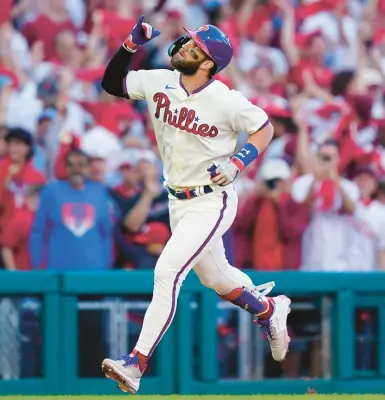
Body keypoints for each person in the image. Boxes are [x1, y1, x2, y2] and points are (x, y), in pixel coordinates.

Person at [101, 16, 291, 394]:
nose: (184, 46)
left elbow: (264, 127)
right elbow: (111, 84)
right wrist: (129, 45)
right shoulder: (159, 80)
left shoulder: (225, 98)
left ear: (208, 64)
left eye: (194, 47)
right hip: (177, 201)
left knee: (168, 272)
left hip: (210, 200)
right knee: (215, 278)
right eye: (187, 42)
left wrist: (239, 162)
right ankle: (269, 310)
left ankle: (136, 362)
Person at [29, 149, 112, 270]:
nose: (75, 169)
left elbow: (106, 232)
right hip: (58, 269)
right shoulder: (51, 191)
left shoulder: (99, 192)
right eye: (70, 165)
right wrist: (37, 263)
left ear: (89, 168)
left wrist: (107, 263)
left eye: (81, 165)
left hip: (94, 268)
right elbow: (39, 230)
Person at [292, 139, 360, 271]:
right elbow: (301, 212)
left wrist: (336, 181)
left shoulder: (348, 186)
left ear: (338, 159)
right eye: (323, 157)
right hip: (311, 251)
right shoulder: (304, 183)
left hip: (339, 254)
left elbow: (352, 209)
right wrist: (316, 181)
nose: (326, 161)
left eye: (330, 157)